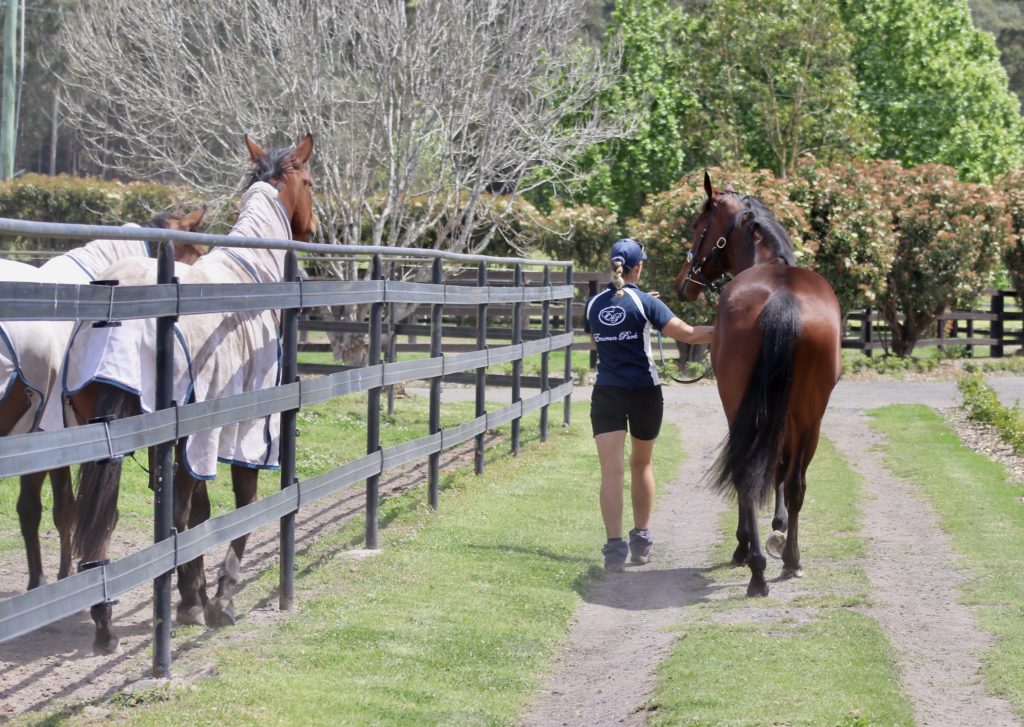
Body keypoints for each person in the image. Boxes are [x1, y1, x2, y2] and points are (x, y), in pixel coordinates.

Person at [584, 238, 713, 572]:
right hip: (644, 393)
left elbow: (597, 338)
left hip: (606, 394)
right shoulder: (645, 303)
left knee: (610, 471)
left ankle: (613, 550)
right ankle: (640, 541)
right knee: (641, 466)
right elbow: (688, 334)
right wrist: (733, 326)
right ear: (638, 267)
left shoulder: (593, 304)